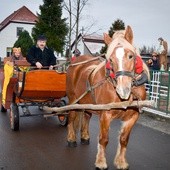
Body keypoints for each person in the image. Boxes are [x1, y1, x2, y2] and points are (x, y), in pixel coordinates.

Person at [1, 47, 24, 112]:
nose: (17, 54)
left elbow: (25, 68)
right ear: (13, 53)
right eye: (16, 53)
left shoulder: (23, 60)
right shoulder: (9, 61)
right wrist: (13, 69)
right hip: (12, 78)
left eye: (19, 53)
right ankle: (6, 100)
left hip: (21, 78)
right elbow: (7, 68)